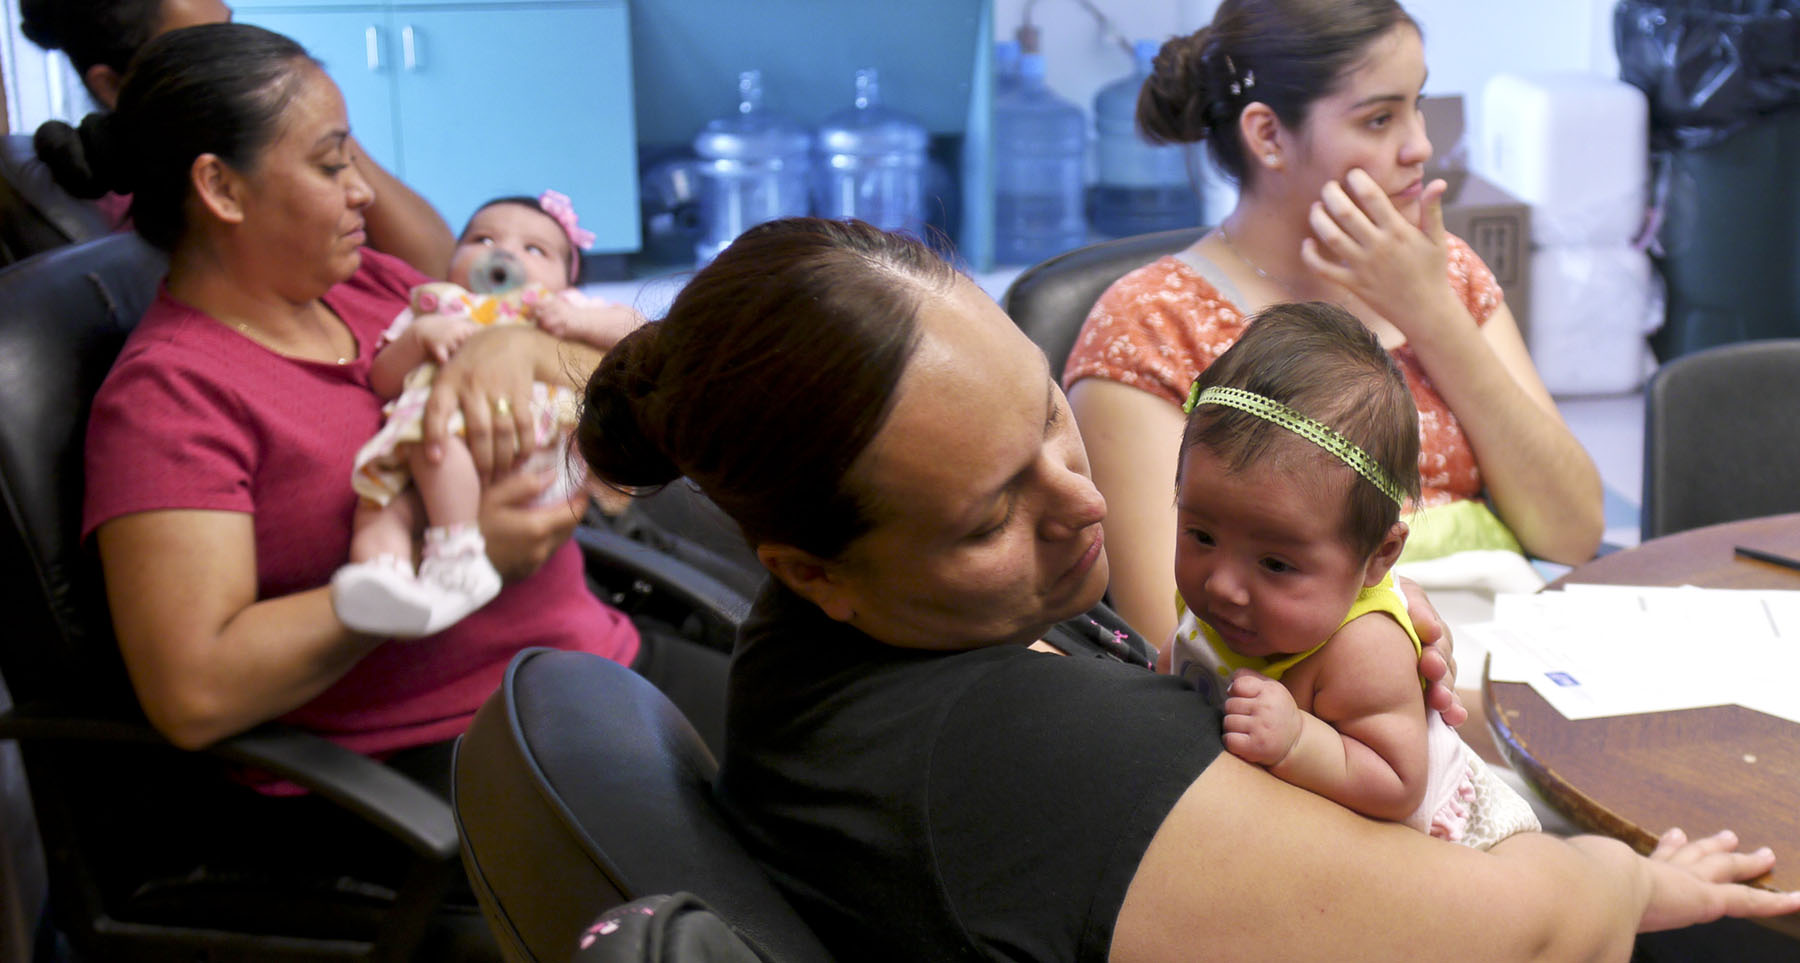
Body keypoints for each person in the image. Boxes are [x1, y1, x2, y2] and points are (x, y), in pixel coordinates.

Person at [576, 216, 1799, 962]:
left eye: (1054, 420)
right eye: (996, 511)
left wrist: (1331, 672)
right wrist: (1625, 876)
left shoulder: (842, 636)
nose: (1088, 501)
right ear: (808, 567)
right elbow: (1521, 937)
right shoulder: (1023, 762)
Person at [33, 23, 729, 815]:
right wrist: (467, 562)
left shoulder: (362, 283)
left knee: (831, 723)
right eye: (333, 165)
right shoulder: (172, 395)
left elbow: (542, 332)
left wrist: (510, 346)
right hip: (450, 750)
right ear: (222, 189)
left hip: (586, 659)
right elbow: (195, 692)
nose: (363, 190)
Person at [1063, 0, 1604, 665]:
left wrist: (1431, 314)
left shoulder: (1439, 271)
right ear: (1267, 137)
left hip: (1512, 656)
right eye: (1379, 118)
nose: (1420, 146)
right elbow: (1178, 646)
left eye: (1417, 105)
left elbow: (1574, 531)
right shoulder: (1151, 325)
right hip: (1336, 717)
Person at [1166, 301, 1537, 849]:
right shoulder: (1224, 600)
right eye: (1201, 535)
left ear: (1380, 556)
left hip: (1443, 844)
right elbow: (1177, 666)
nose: (1221, 583)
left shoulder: (1363, 649)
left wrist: (1298, 742)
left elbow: (1397, 784)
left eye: (1275, 564)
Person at [334, 191, 644, 636]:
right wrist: (420, 338)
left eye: (534, 249)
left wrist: (578, 324)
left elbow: (639, 336)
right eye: (481, 239)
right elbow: (381, 380)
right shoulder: (435, 306)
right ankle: (383, 583)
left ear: (568, 277)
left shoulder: (560, 308)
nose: (503, 252)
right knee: (379, 509)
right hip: (440, 455)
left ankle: (456, 558)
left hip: (522, 447)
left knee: (434, 448)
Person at [19, 0, 456, 277]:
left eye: (231, 28)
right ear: (112, 87)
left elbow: (436, 272)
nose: (235, 58)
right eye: (202, 47)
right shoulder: (179, 225)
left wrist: (320, 129)